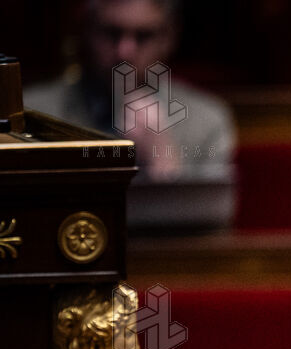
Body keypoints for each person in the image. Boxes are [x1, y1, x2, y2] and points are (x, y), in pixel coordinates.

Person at [25, 0, 236, 227]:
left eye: (143, 36)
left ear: (168, 38)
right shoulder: (33, 114)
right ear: (86, 31)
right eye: (111, 33)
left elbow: (211, 233)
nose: (124, 52)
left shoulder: (207, 121)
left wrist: (162, 162)